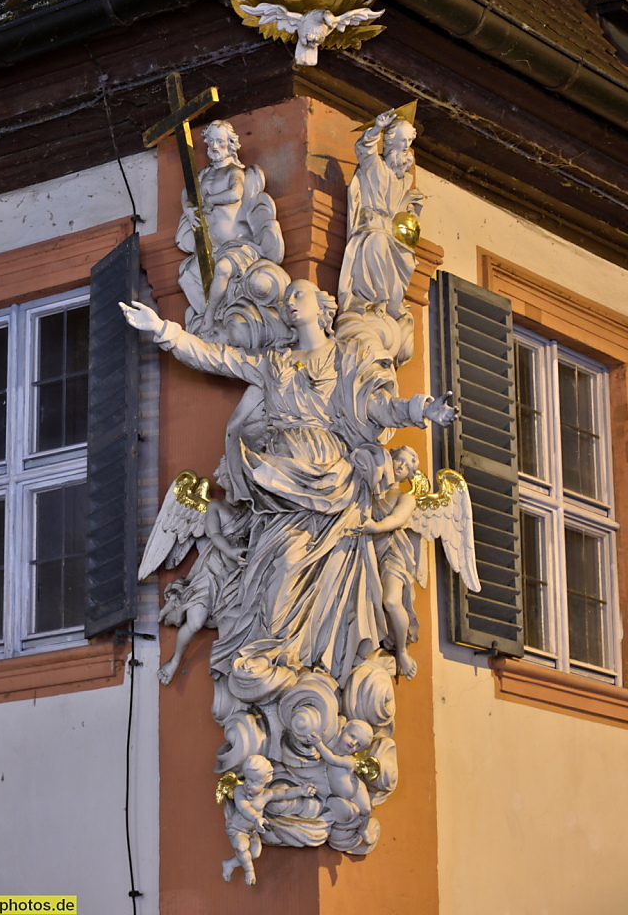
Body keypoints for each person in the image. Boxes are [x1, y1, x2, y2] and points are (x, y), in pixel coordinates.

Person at [120, 280, 456, 687]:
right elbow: (218, 358)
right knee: (276, 562)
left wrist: (423, 409)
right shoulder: (275, 362)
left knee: (299, 563)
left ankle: (291, 653)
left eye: (299, 295)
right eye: (287, 298)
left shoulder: (345, 361)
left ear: (322, 306)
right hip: (278, 479)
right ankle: (270, 649)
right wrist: (164, 330)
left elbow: (379, 408)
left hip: (330, 480)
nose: (290, 302)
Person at [176, 119, 284, 338]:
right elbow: (187, 193)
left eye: (220, 142)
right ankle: (212, 314)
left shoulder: (233, 171)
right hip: (211, 247)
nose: (215, 147)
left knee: (224, 269)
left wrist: (210, 200)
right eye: (211, 143)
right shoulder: (205, 174)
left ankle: (210, 316)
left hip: (238, 243)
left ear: (231, 144)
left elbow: (235, 193)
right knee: (186, 276)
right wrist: (188, 211)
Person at [156, 459, 249, 685]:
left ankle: (238, 665)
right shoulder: (214, 507)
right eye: (228, 476)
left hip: (237, 572)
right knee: (196, 621)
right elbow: (215, 535)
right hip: (213, 568)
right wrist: (229, 551)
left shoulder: (251, 512)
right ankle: (175, 660)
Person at [338, 109, 423, 321]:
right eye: (402, 141)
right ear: (389, 140)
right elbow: (364, 148)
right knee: (377, 242)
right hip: (371, 225)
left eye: (409, 142)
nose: (405, 147)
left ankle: (393, 302)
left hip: (392, 231)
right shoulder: (375, 166)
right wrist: (377, 128)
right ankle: (379, 298)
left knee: (408, 261)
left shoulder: (403, 180)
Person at [353, 445, 422, 680]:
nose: (400, 466)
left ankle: (401, 650)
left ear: (410, 474)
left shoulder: (406, 497)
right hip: (368, 549)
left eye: (406, 465)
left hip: (393, 549)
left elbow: (397, 518)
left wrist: (376, 527)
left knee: (391, 601)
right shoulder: (371, 491)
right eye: (398, 461)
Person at [222, 755, 317, 885]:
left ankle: (229, 864)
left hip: (253, 832)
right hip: (237, 829)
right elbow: (244, 808)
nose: (248, 784)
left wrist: (301, 791)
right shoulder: (240, 791)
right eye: (247, 779)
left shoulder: (267, 794)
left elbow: (285, 793)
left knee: (254, 854)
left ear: (267, 780)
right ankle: (249, 871)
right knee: (241, 847)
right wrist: (256, 818)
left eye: (254, 781)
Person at [309, 720, 375, 843]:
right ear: (342, 730)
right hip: (336, 791)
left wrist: (318, 744)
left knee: (366, 810)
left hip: (355, 791)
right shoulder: (332, 744)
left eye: (358, 745)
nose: (353, 743)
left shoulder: (348, 760)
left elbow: (331, 759)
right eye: (352, 736)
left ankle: (364, 829)